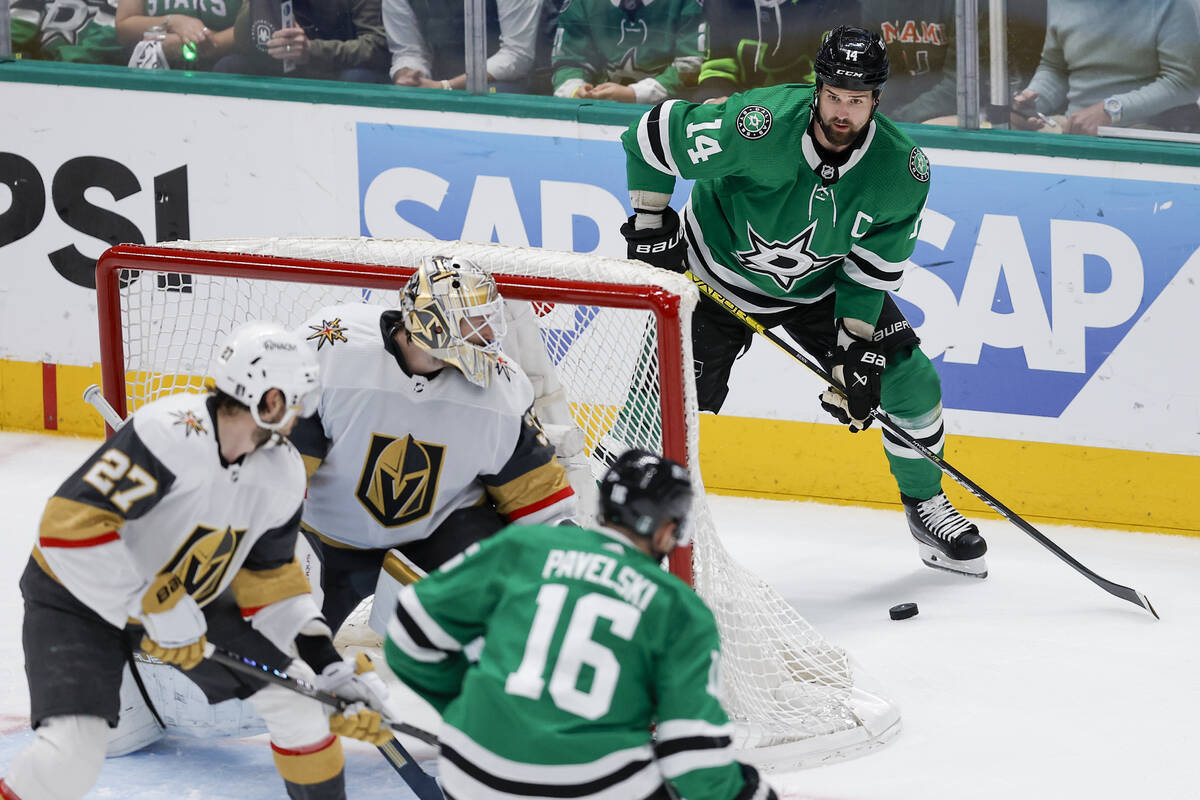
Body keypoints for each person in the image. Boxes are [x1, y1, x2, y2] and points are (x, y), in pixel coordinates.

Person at [618, 25, 989, 578]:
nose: (843, 111)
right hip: (712, 275)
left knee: (911, 380)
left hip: (823, 288)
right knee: (664, 401)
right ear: (817, 88)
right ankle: (610, 514)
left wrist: (854, 352)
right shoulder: (757, 125)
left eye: (857, 101)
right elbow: (649, 136)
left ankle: (925, 504)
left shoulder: (900, 173)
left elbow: (868, 272)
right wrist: (651, 223)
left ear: (877, 100)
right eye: (834, 96)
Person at [0, 321, 396, 800]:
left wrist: (329, 667)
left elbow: (272, 584)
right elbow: (67, 529)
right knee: (72, 756)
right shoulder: (167, 432)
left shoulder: (284, 472)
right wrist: (151, 604)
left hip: (192, 605)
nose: (301, 416)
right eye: (296, 400)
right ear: (267, 398)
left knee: (301, 708)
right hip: (77, 601)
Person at [383, 448, 779, 800]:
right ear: (666, 530)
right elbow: (691, 756)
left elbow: (408, 629)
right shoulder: (680, 609)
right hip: (592, 783)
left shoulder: (524, 546)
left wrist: (467, 707)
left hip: (469, 770)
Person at [289, 255, 578, 640]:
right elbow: (278, 471)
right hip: (326, 540)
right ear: (432, 321)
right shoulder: (332, 350)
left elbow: (540, 503)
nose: (490, 334)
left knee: (504, 628)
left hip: (439, 536)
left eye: (489, 320)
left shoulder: (502, 390)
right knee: (278, 642)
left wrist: (573, 562)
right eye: (475, 321)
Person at [1011, 0, 1200, 135]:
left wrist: (1111, 111)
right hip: (1074, 133)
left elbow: (1183, 83)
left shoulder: (1174, 4)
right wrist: (1031, 102)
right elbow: (1056, 67)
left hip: (1148, 137)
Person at [551, 0, 704, 103]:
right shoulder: (581, 3)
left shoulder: (688, 3)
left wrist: (635, 94)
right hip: (598, 113)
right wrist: (576, 90)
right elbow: (569, 60)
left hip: (671, 116)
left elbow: (690, 67)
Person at [695, 0, 846, 102]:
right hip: (741, 110)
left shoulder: (825, 5)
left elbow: (831, 74)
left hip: (802, 108)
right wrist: (715, 101)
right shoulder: (722, 4)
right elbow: (716, 68)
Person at [384, 0, 544, 93]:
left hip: (502, 80)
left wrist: (446, 86)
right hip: (436, 79)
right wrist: (408, 75)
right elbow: (408, 51)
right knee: (406, 93)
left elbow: (517, 55)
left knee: (494, 93)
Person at [214, 0, 389, 83]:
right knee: (230, 67)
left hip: (337, 69)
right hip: (286, 67)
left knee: (357, 78)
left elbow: (378, 46)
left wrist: (312, 51)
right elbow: (244, 41)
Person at [114, 0, 241, 69]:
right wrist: (172, 22)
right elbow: (124, 28)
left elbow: (254, 24)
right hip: (156, 65)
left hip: (222, 66)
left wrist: (208, 41)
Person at [9, 0, 125, 64]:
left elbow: (107, 40)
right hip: (31, 75)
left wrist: (48, 64)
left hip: (95, 80)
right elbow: (13, 38)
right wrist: (21, 60)